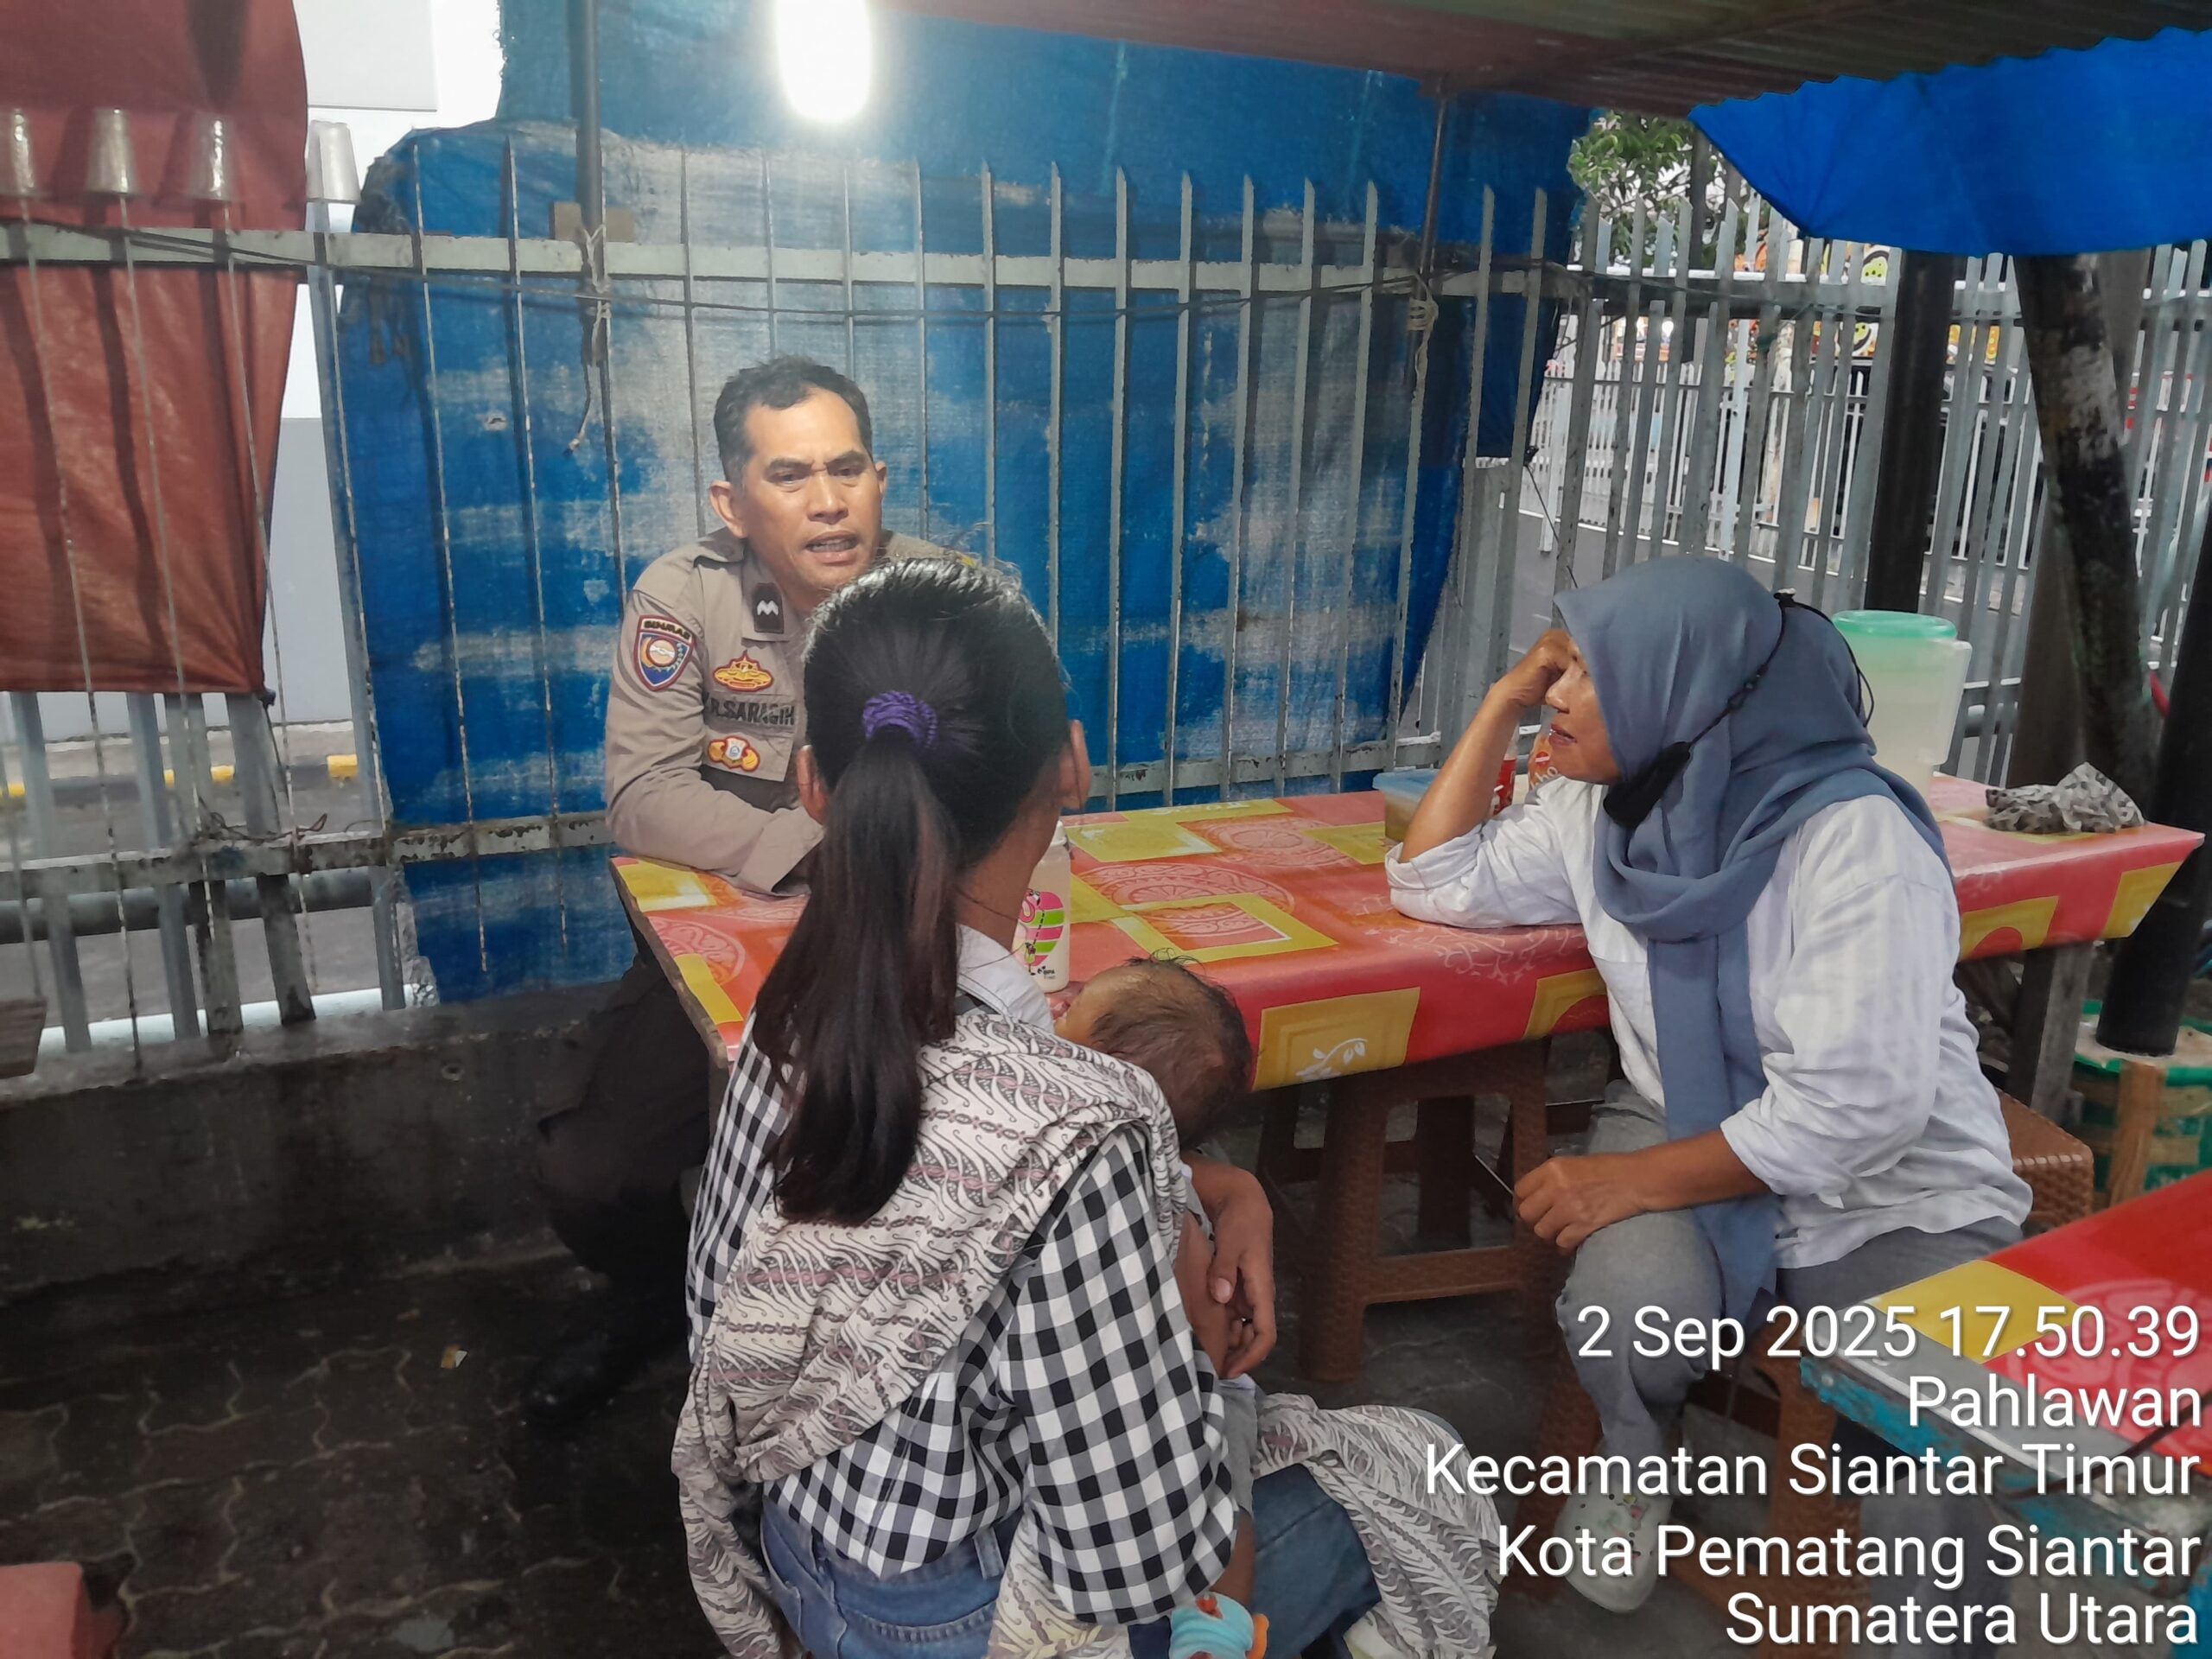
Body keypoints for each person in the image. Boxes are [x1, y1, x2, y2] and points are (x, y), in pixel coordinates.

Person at [674, 559, 1501, 1659]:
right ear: (1070, 765)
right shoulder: (1079, 1130)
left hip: (798, 1559)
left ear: (814, 783)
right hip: (954, 1628)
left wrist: (1226, 1188)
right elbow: (1131, 1554)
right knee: (1426, 1462)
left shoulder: (785, 1017)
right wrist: (1199, 1398)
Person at [1388, 556, 2030, 1647]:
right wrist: (1499, 703)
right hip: (1684, 1109)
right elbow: (1434, 880)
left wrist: (1632, 1180)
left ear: (1683, 694)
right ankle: (1641, 1456)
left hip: (1893, 1181)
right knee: (1625, 1313)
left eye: (1590, 673)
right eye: (1558, 669)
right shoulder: (1606, 808)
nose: (1557, 693)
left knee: (1936, 1419)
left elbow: (1858, 1109)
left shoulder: (1853, 839)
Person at [524, 356, 939, 1431]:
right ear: (732, 502)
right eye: (790, 475)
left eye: (847, 469)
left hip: (915, 942)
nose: (828, 500)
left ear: (880, 479)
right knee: (590, 1173)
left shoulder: (947, 598)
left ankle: (904, 1354)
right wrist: (814, 851)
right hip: (733, 945)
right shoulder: (686, 596)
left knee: (913, 1148)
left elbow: (1008, 775)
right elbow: (643, 795)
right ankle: (660, 1299)